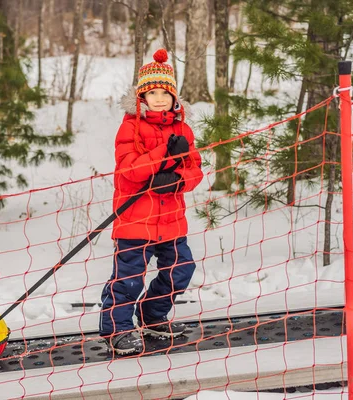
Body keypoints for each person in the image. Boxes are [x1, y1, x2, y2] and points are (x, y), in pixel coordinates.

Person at [99, 49, 204, 355]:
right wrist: (164, 156)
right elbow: (130, 170)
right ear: (141, 97)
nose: (159, 98)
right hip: (135, 220)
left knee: (181, 269)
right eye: (152, 92)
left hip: (171, 220)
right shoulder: (130, 127)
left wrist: (178, 180)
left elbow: (195, 169)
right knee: (129, 278)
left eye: (165, 92)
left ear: (174, 97)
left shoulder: (183, 129)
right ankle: (116, 329)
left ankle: (152, 315)